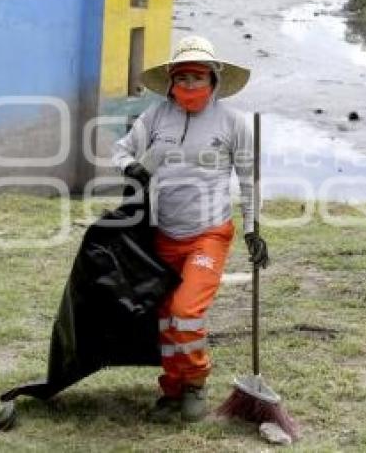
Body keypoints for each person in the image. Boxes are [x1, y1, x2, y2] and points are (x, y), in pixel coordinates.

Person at [112, 35, 269, 423]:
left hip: (209, 234)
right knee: (165, 316)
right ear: (170, 81)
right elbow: (120, 150)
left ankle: (196, 382)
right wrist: (129, 167)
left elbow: (250, 180)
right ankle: (172, 389)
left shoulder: (233, 124)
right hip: (163, 235)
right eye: (182, 77)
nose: (190, 86)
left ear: (214, 79)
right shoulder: (155, 117)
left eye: (198, 77)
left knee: (186, 311)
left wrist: (252, 230)